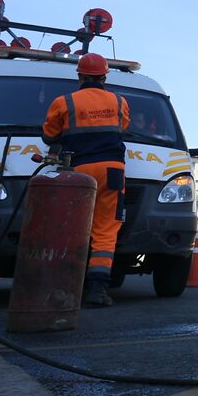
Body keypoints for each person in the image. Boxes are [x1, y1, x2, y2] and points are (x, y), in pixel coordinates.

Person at [42, 53, 130, 308]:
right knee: (105, 230)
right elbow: (122, 127)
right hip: (112, 169)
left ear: (80, 75)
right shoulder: (118, 101)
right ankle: (98, 289)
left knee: (71, 227)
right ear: (104, 76)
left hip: (78, 169)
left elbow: (49, 134)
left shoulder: (64, 102)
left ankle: (65, 283)